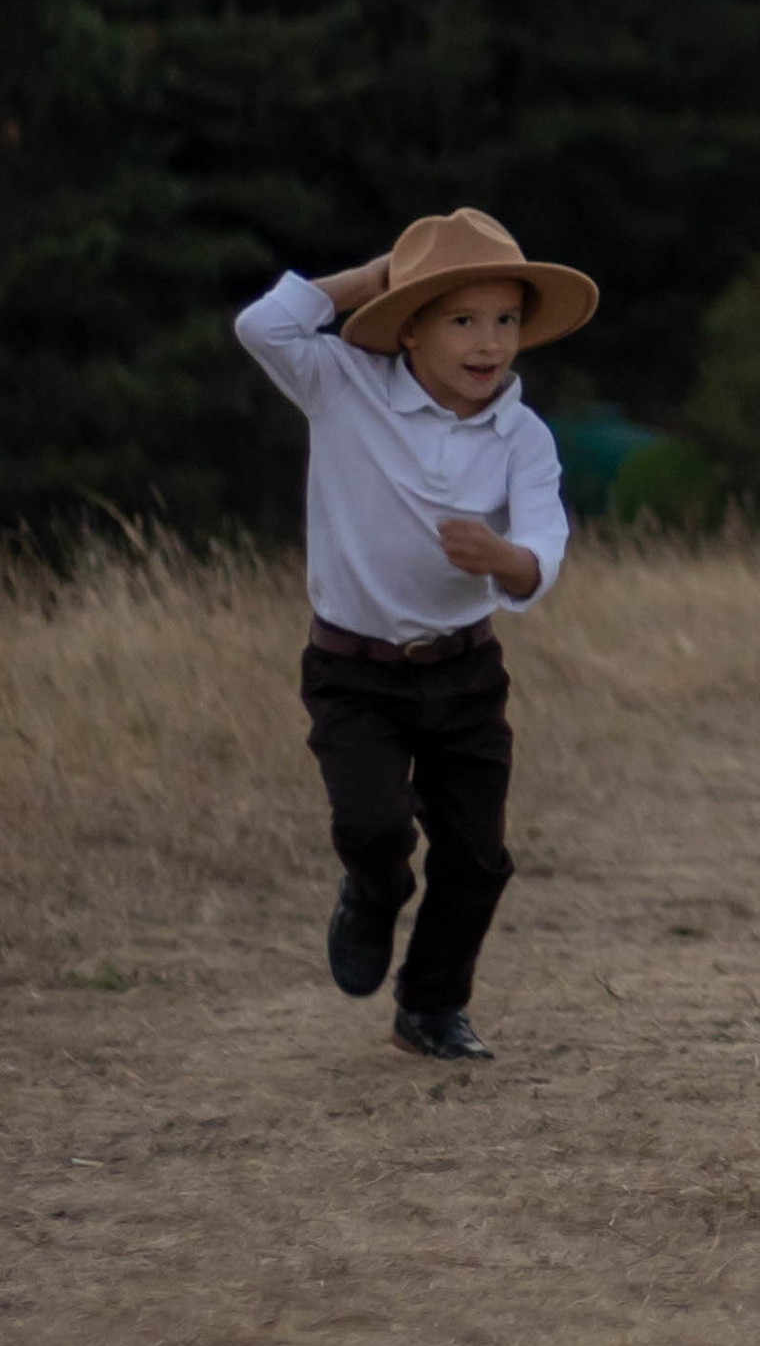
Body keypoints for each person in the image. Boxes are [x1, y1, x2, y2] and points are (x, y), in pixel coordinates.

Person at [235, 206, 595, 1063]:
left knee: (477, 856)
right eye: (462, 319)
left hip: (464, 672)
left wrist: (505, 558)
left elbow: (544, 544)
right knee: (374, 826)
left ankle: (431, 1006)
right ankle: (372, 891)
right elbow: (262, 325)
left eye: (505, 319)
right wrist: (367, 281)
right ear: (409, 330)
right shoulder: (342, 384)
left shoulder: (523, 436)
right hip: (352, 670)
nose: (489, 342)